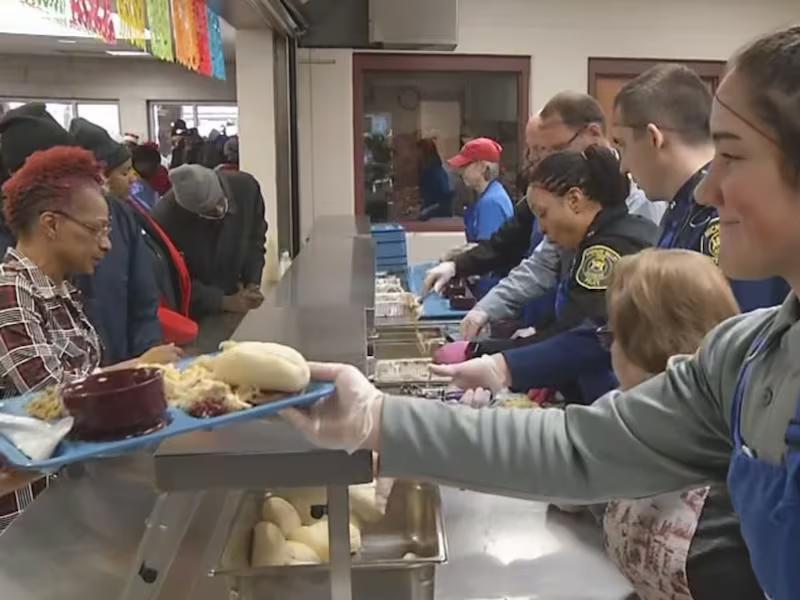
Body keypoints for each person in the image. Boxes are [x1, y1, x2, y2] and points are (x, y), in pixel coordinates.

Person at [282, 26, 800, 600]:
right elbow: (581, 447)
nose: (706, 190)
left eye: (732, 155)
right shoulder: (745, 356)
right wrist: (377, 418)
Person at [0, 146, 180, 532]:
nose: (106, 244)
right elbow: (50, 399)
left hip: (69, 490)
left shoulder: (62, 290)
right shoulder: (10, 293)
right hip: (27, 514)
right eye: (95, 230)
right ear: (51, 224)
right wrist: (138, 368)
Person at [425, 93, 666, 338]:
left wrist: (522, 348)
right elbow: (541, 263)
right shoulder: (552, 192)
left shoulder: (643, 201)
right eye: (537, 151)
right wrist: (480, 301)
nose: (545, 160)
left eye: (554, 149)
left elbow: (600, 323)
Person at [597, 249, 762, 600]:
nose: (610, 349)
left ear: (644, 342)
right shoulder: (636, 428)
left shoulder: (725, 505)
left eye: (612, 336)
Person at [437, 146, 658, 404]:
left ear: (574, 200)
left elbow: (580, 336)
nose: (541, 228)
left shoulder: (607, 249)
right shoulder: (594, 238)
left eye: (543, 214)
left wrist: (488, 355)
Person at [612, 63, 789, 312]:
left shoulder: (726, 213)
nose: (623, 167)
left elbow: (741, 322)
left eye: (622, 145)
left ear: (654, 138)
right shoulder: (681, 211)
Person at [0, 105, 163, 365]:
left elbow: (143, 299)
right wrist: (130, 370)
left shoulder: (115, 214)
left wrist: (145, 365)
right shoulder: (14, 289)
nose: (105, 244)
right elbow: (48, 386)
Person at [68, 118, 165, 364]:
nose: (133, 179)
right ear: (99, 178)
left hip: (126, 356)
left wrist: (146, 357)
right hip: (84, 369)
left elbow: (143, 295)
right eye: (124, 172)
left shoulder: (123, 216)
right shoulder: (60, 228)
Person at [152, 164, 267, 318]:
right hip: (196, 310)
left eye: (220, 203)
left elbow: (256, 238)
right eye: (210, 213)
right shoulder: (163, 220)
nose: (219, 211)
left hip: (235, 290)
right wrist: (221, 301)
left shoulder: (246, 188)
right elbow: (171, 280)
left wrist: (252, 282)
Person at [446, 137, 514, 298]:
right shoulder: (489, 195)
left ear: (482, 167)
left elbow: (487, 253)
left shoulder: (491, 202)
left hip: (492, 290)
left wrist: (453, 261)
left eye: (465, 166)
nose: (460, 171)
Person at [417, 137, 453, 220]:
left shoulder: (434, 172)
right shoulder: (434, 171)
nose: (417, 156)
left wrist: (425, 211)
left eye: (419, 153)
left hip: (437, 216)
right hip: (435, 213)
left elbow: (443, 199)